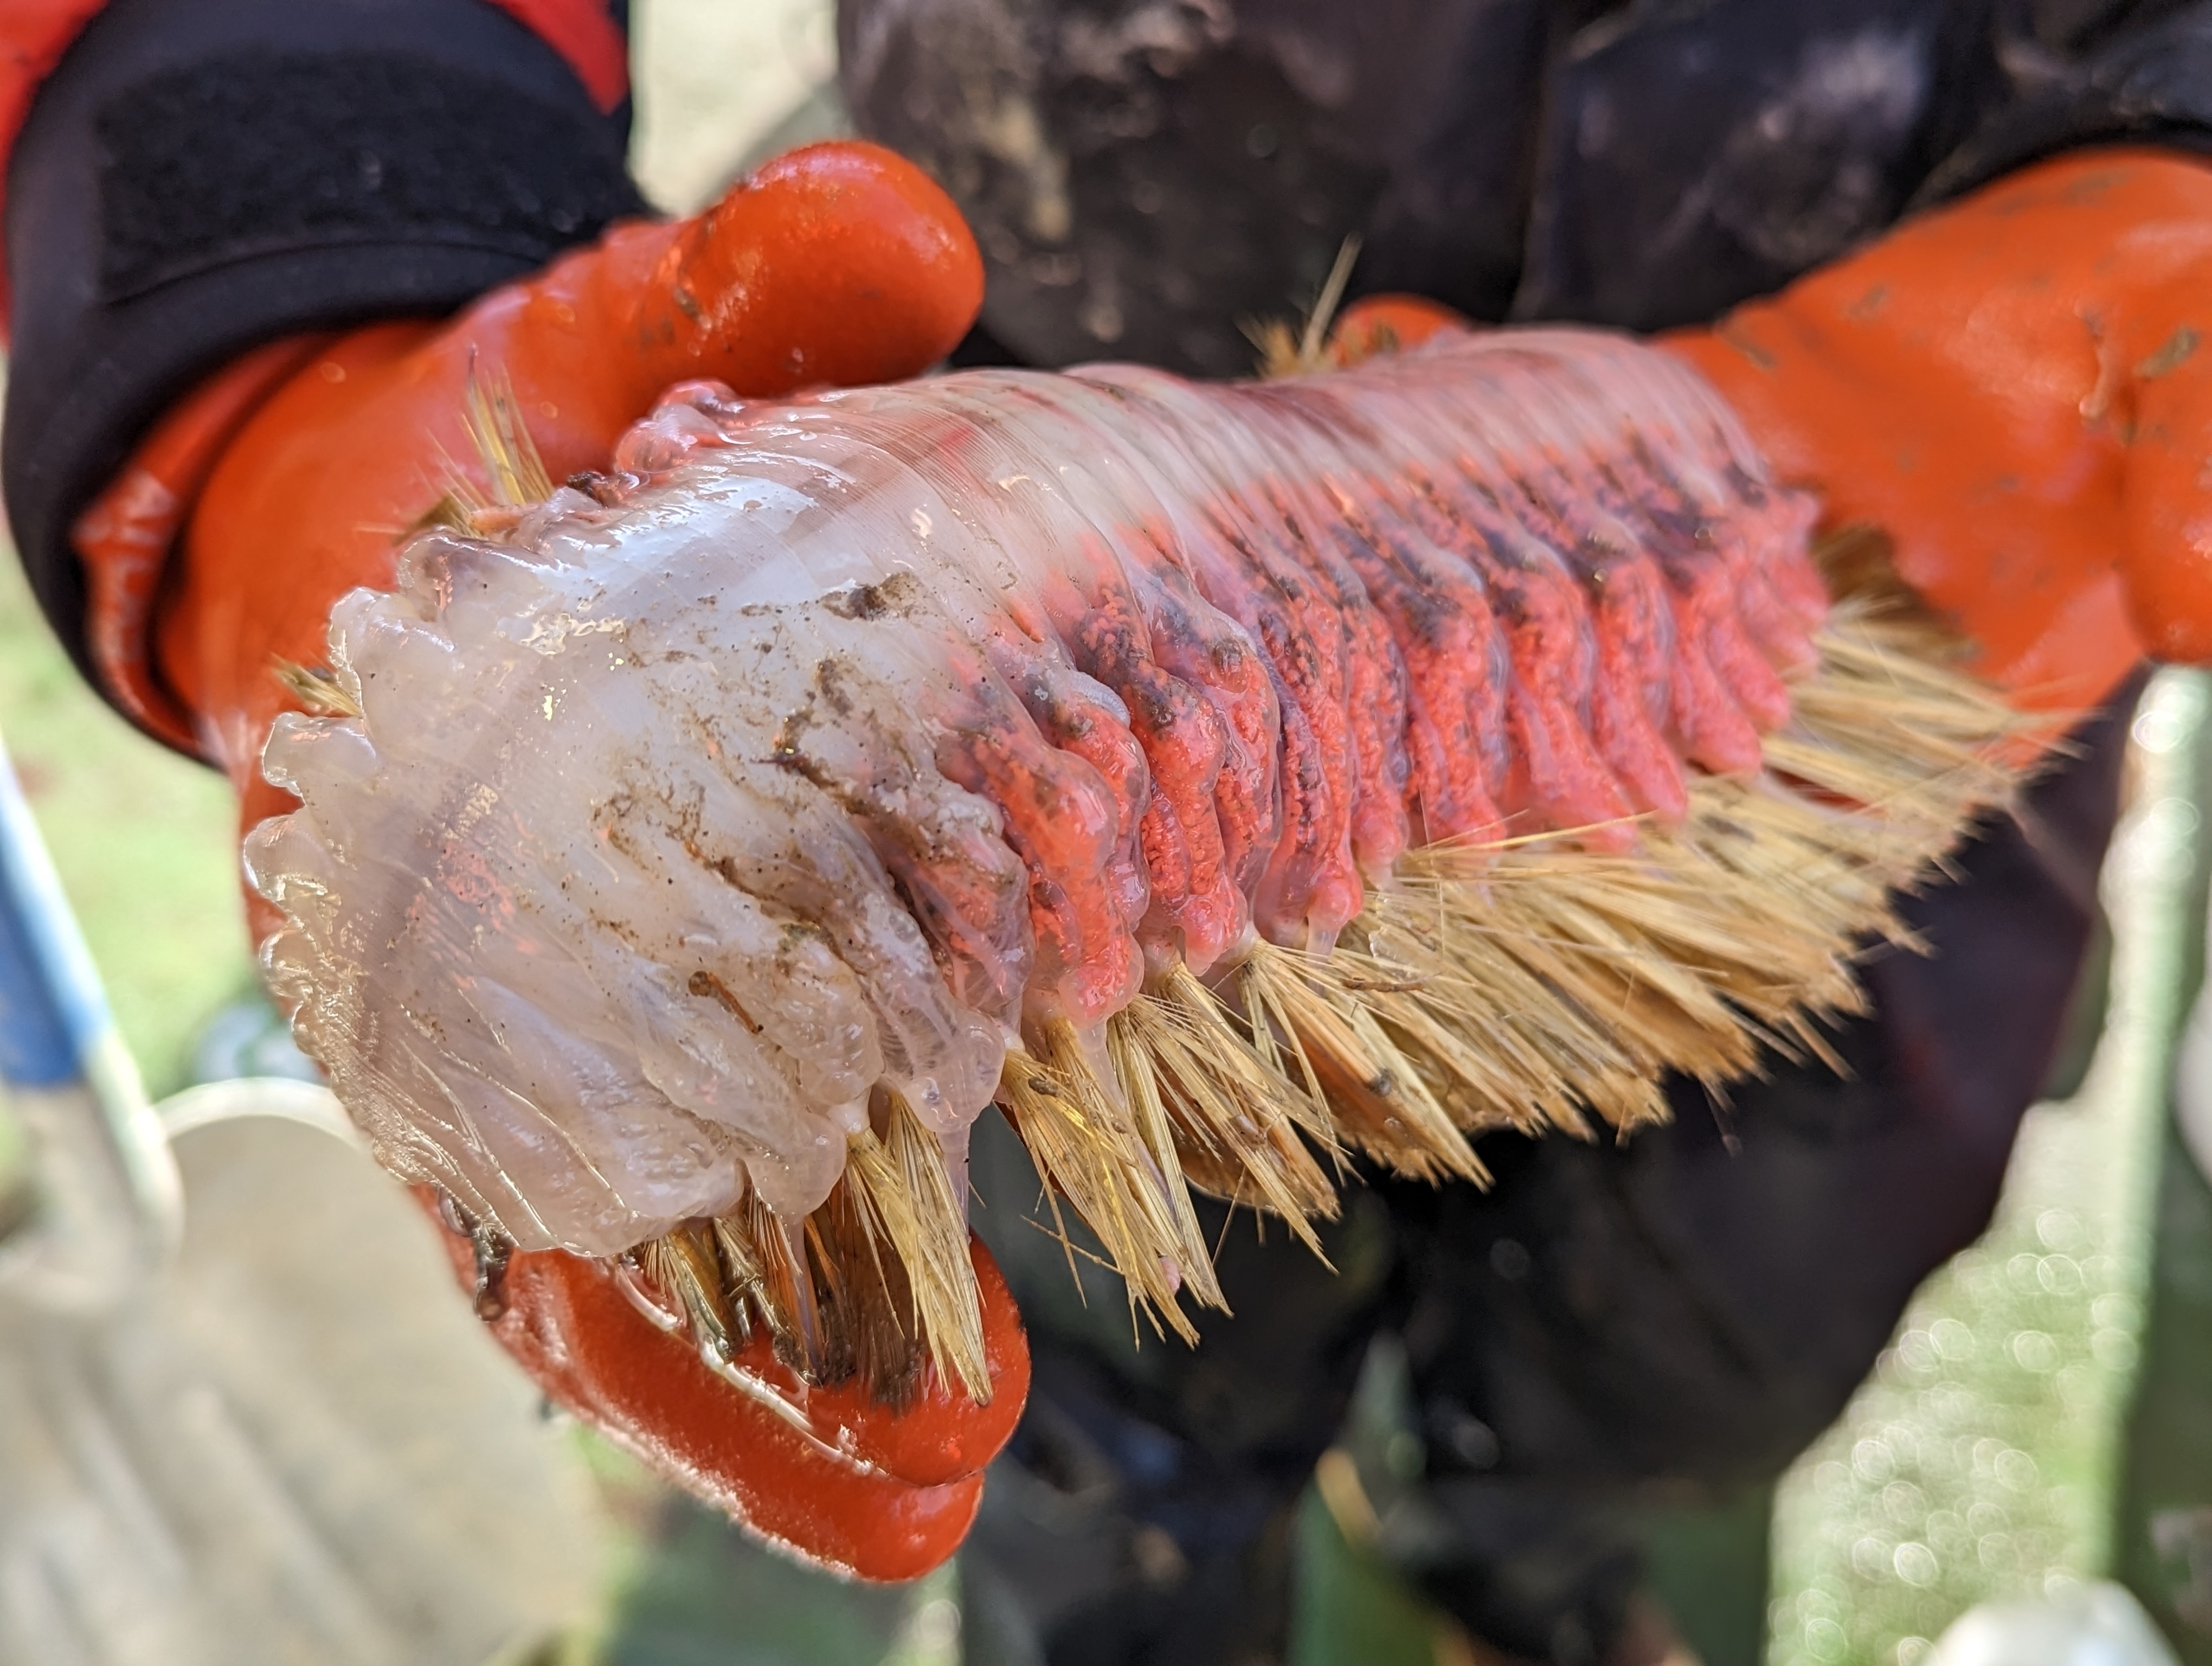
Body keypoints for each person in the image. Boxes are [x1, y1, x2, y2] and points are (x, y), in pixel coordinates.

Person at [3, 2, 2208, 1659]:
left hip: (1951, 537)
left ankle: (1516, 1538)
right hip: (1044, 479)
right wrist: (271, 255)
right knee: (1109, 1349)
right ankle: (1169, 1567)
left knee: (1739, 1300)